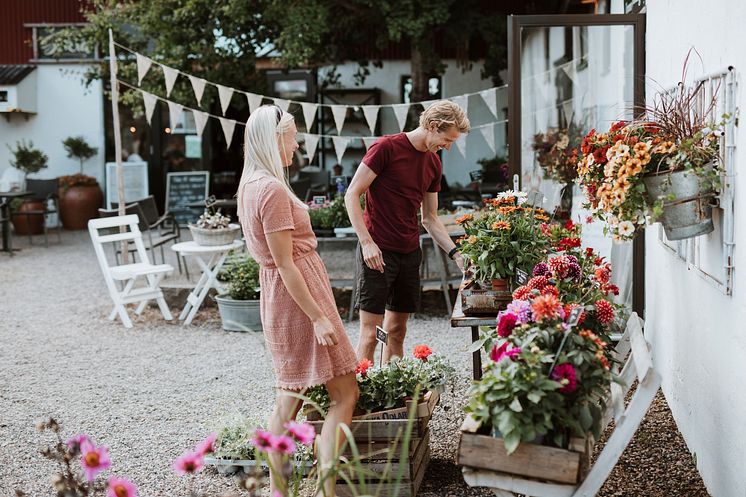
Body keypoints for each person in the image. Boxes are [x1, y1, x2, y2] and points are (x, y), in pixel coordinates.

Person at [236, 105, 359, 497]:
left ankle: (280, 491)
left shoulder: (251, 184)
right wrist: (319, 317)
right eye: (292, 138)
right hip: (298, 297)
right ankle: (326, 488)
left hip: (282, 295)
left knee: (289, 396)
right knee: (344, 392)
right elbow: (286, 263)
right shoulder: (270, 189)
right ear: (275, 140)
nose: (296, 146)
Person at [345, 100, 469, 364]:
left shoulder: (434, 164)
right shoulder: (386, 148)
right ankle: (359, 401)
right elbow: (352, 194)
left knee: (397, 332)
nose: (448, 146)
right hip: (376, 252)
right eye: (447, 139)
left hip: (409, 254)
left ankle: (393, 396)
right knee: (370, 334)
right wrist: (366, 243)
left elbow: (430, 219)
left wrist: (455, 254)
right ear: (433, 126)